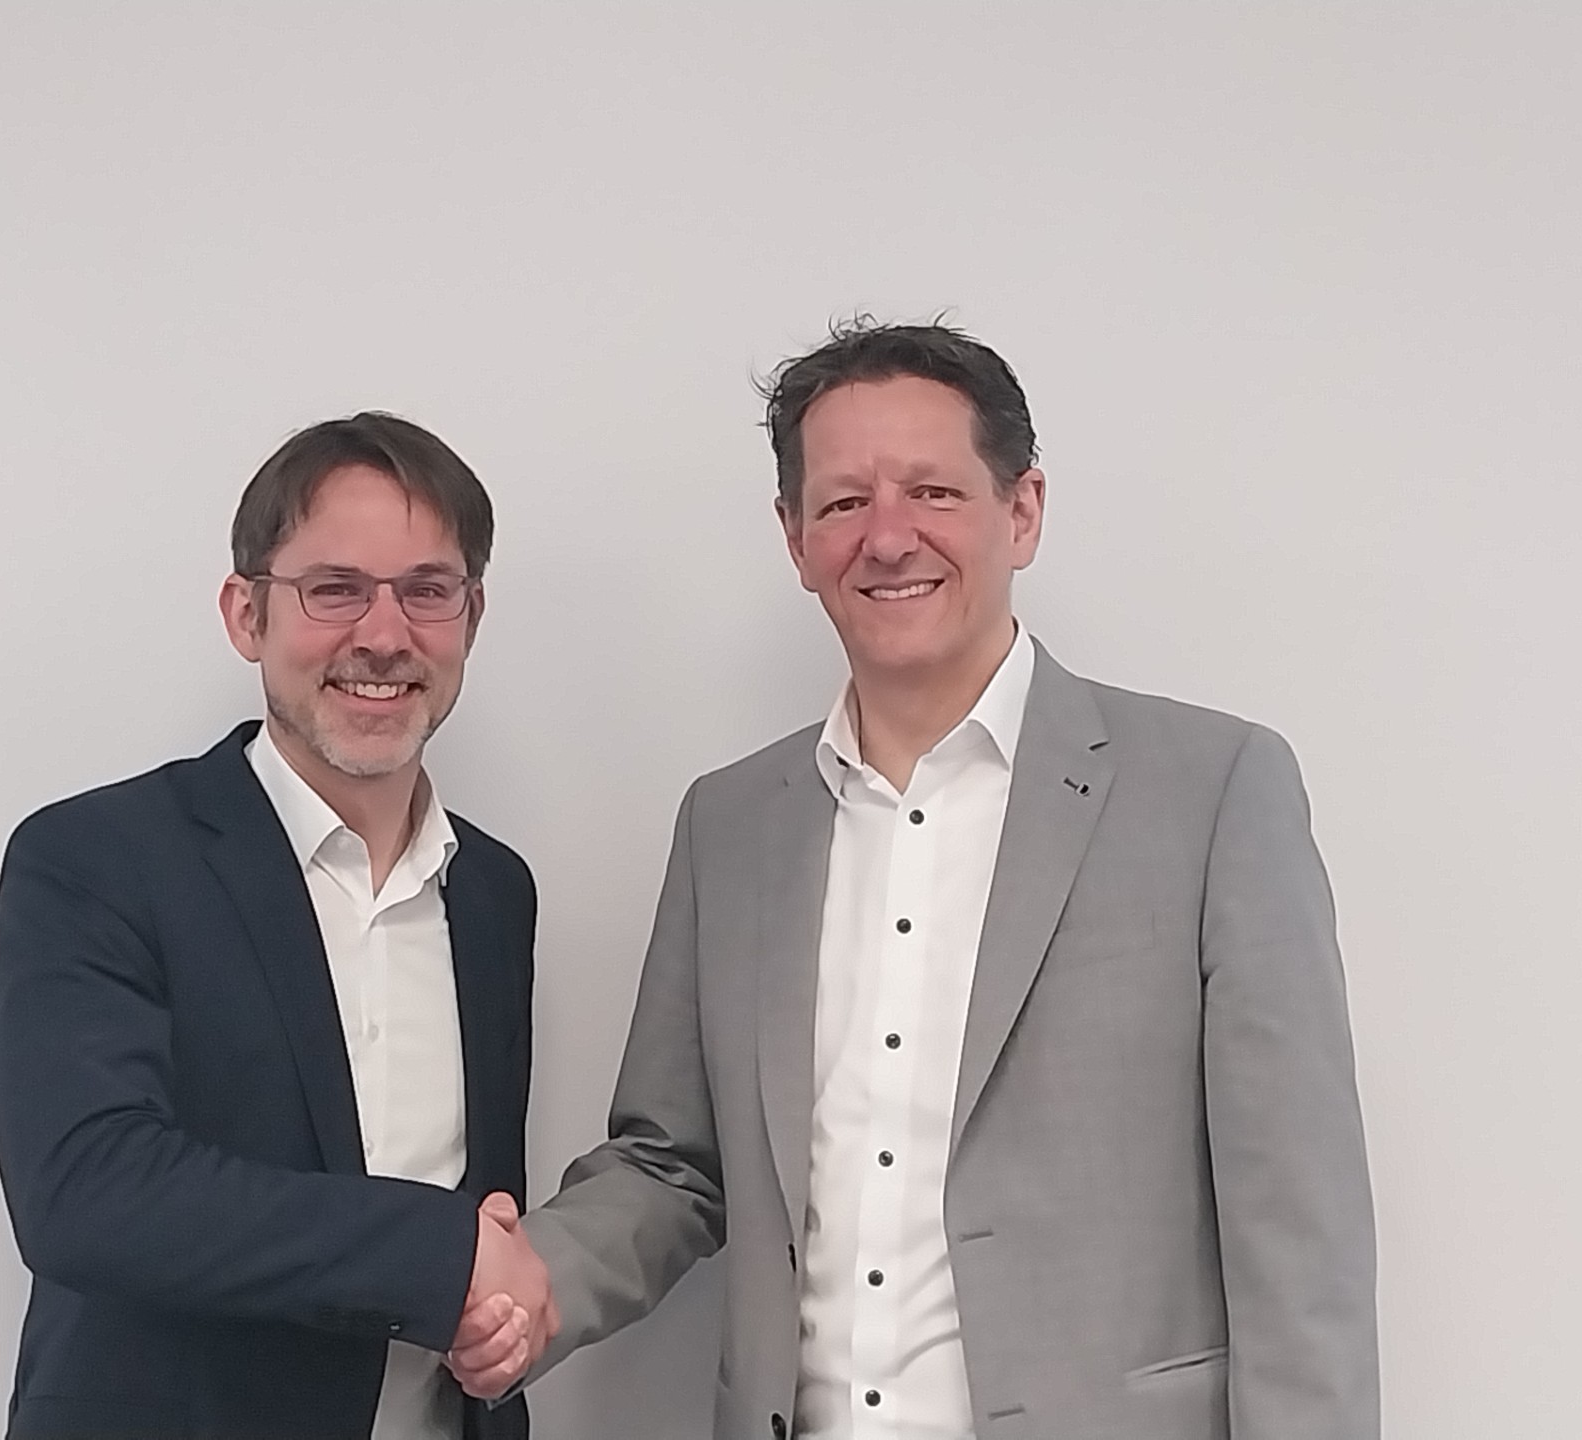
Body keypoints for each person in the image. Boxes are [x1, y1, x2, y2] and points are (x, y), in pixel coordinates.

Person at [450, 321, 1379, 1438]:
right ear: (796, 538)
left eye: (933, 492)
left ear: (1022, 510)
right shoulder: (729, 827)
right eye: (844, 503)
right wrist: (532, 1278)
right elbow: (673, 1164)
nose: (888, 538)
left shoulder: (1213, 790)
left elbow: (1299, 1225)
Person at [0, 412, 557, 1440]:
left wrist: (494, 1323)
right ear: (246, 614)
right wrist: (439, 1255)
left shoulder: (493, 893)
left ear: (471, 616)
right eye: (334, 589)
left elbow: (488, 1220)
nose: (384, 635)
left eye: (427, 590)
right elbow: (86, 1193)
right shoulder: (96, 858)